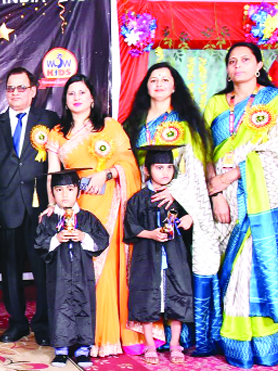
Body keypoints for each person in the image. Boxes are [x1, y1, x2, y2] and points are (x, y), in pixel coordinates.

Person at [122, 63, 216, 355]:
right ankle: (145, 338)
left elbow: (198, 168)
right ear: (146, 86)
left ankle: (179, 338)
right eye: (153, 79)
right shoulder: (134, 123)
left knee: (176, 270)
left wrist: (175, 190)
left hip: (178, 201)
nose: (159, 83)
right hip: (142, 200)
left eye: (166, 79)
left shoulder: (185, 123)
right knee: (144, 271)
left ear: (175, 86)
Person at [45, 74, 142, 356]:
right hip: (75, 205)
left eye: (82, 92)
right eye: (71, 93)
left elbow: (128, 162)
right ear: (65, 100)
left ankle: (108, 335)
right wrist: (54, 206)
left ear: (91, 97)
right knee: (78, 270)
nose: (76, 97)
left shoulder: (109, 126)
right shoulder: (57, 133)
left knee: (107, 266)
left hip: (109, 200)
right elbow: (54, 175)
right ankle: (80, 335)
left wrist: (107, 173)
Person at [202, 42, 278, 368]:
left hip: (259, 195)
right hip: (221, 200)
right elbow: (202, 150)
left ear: (259, 65)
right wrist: (215, 192)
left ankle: (259, 344)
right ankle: (231, 341)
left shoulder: (273, 101)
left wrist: (233, 174)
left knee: (251, 268)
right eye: (232, 61)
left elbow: (273, 150)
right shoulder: (216, 103)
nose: (238, 66)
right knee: (226, 266)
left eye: (245, 60)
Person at [0, 67, 58, 345]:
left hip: (41, 206)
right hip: (6, 207)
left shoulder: (50, 120)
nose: (15, 93)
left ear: (33, 91)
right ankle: (18, 322)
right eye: (10, 88)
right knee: (10, 269)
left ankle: (43, 324)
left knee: (42, 269)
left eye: (21, 88)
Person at [124, 145, 194, 365]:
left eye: (169, 167)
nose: (165, 172)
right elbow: (130, 227)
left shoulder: (180, 196)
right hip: (148, 256)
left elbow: (193, 218)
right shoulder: (137, 199)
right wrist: (151, 234)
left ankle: (175, 344)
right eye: (159, 167)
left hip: (175, 256)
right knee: (146, 297)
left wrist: (189, 218)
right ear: (147, 170)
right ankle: (150, 345)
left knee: (177, 295)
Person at [34, 169, 109, 369]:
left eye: (70, 189)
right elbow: (40, 244)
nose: (65, 194)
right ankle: (61, 350)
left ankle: (83, 348)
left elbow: (102, 240)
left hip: (82, 275)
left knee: (84, 306)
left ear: (78, 191)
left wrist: (84, 237)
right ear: (52, 193)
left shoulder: (87, 218)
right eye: (59, 190)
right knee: (59, 307)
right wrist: (55, 239)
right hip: (58, 275)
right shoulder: (48, 219)